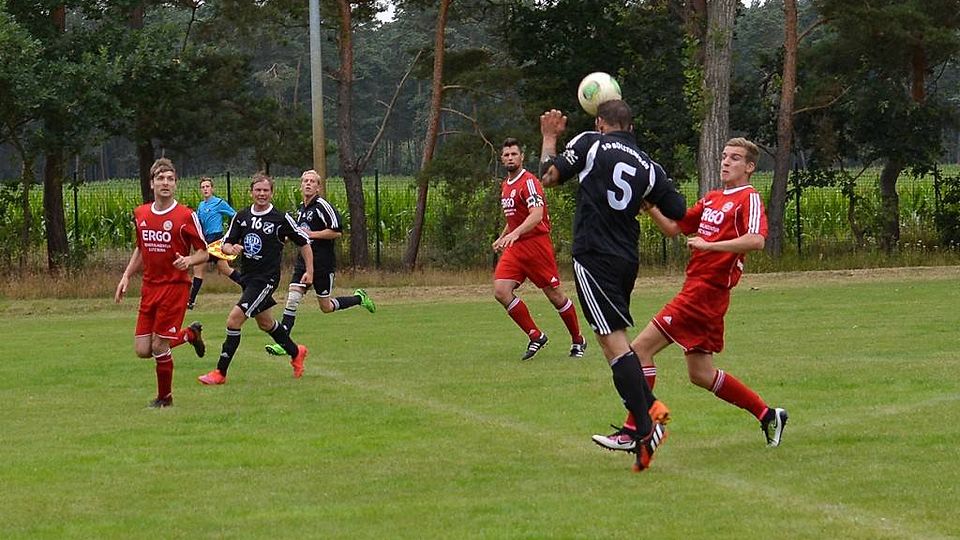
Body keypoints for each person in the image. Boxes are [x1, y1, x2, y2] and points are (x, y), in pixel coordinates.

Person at [539, 100, 687, 472]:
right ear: (631, 128)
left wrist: (549, 138)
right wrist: (646, 199)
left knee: (613, 342)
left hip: (594, 255)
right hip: (626, 259)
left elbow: (549, 177)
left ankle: (648, 423)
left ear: (601, 124)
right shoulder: (648, 166)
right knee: (611, 342)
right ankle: (645, 418)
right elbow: (679, 210)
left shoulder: (591, 142)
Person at [627, 137, 789, 448]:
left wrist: (710, 246)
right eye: (724, 156)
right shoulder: (713, 198)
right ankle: (768, 414)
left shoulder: (749, 197)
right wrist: (649, 205)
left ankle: (641, 428)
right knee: (701, 374)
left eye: (735, 158)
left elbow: (756, 240)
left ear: (750, 167)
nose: (726, 162)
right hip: (699, 292)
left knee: (639, 351)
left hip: (704, 294)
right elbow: (674, 228)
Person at [197, 172, 313, 385]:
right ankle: (296, 352)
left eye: (265, 190)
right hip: (248, 278)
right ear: (251, 192)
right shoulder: (241, 217)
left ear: (271, 193)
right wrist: (231, 248)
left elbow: (304, 243)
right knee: (266, 323)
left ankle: (220, 373)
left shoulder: (280, 218)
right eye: (258, 190)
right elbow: (225, 244)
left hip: (266, 280)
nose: (261, 194)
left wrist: (310, 271)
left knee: (234, 320)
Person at [114, 158, 209, 408]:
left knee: (159, 345)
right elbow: (140, 248)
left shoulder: (186, 215)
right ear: (152, 183)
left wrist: (188, 260)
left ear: (175, 184)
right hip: (150, 287)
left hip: (175, 288)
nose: (165, 183)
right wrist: (126, 276)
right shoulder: (141, 214)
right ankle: (189, 335)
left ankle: (165, 399)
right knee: (142, 349)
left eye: (170, 179)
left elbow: (204, 252)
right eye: (160, 178)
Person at [264, 169, 376, 356]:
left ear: (318, 187)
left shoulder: (323, 206)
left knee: (326, 307)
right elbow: (298, 233)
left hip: (323, 264)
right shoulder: (302, 209)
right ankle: (284, 343)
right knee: (292, 299)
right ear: (301, 185)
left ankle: (359, 298)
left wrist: (311, 234)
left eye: (312, 181)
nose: (308, 184)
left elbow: (336, 232)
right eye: (305, 181)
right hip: (303, 263)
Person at [492, 137, 586, 360]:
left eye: (514, 154)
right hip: (516, 248)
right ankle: (535, 335)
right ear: (502, 159)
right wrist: (503, 236)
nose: (510, 158)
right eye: (506, 155)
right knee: (501, 291)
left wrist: (515, 234)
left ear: (522, 157)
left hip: (536, 246)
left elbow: (536, 215)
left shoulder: (530, 182)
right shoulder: (506, 185)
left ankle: (578, 340)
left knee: (555, 296)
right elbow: (515, 218)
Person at [188, 176, 242, 309]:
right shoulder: (201, 205)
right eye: (203, 187)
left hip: (216, 240)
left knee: (198, 268)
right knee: (225, 269)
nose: (205, 189)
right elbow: (199, 224)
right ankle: (248, 286)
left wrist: (231, 234)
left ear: (212, 188)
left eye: (207, 186)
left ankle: (190, 301)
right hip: (206, 241)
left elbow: (235, 216)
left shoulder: (219, 203)